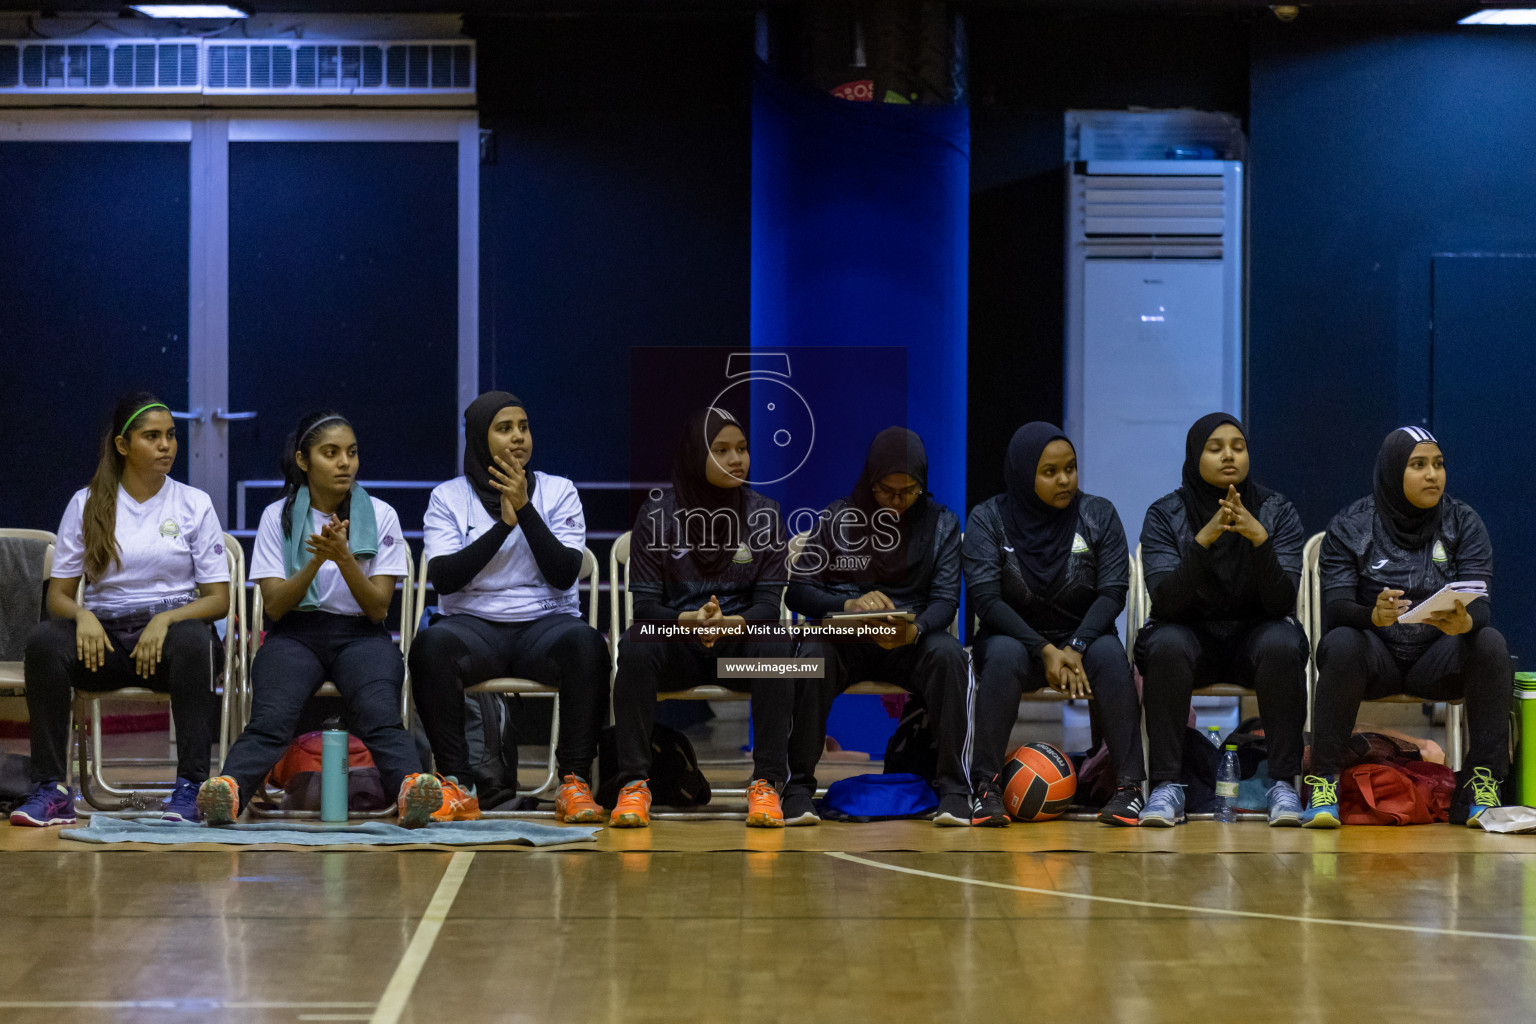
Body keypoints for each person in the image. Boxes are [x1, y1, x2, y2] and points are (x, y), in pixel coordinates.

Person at [195, 411, 431, 826]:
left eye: (352, 453)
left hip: (362, 634)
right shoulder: (278, 516)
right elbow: (274, 607)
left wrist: (343, 559)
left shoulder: (381, 515)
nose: (345, 463)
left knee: (380, 714)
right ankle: (228, 790)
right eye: (331, 453)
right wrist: (315, 561)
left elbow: (378, 607)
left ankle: (411, 788)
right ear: (304, 461)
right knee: (271, 718)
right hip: (295, 634)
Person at [11, 393, 230, 827]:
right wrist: (83, 615)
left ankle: (190, 788)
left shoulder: (193, 503)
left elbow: (218, 599)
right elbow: (59, 595)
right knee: (44, 643)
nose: (166, 445)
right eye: (152, 436)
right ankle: (51, 790)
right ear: (123, 445)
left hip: (169, 645)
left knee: (196, 642)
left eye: (170, 435)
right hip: (104, 644)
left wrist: (165, 619)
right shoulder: (88, 502)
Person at [408, 392, 610, 825]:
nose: (518, 437)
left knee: (589, 645)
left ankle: (573, 783)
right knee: (429, 648)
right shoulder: (448, 497)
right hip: (472, 625)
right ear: (481, 438)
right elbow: (445, 578)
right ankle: (457, 784)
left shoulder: (559, 491)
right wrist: (503, 526)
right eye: (504, 428)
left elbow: (563, 573)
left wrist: (524, 508)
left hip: (545, 622)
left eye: (523, 426)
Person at [1304, 426, 1509, 828]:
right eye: (1419, 465)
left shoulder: (1463, 522)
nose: (1433, 474)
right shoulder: (1352, 524)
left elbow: (1481, 602)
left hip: (1437, 658)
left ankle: (1483, 782)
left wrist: (1465, 620)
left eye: (1438, 464)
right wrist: (1372, 615)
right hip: (1374, 658)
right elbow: (1336, 607)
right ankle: (1323, 782)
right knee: (1341, 643)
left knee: (1490, 643)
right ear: (1393, 471)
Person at [610, 406, 793, 828]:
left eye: (742, 449)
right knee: (637, 643)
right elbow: (646, 607)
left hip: (736, 648)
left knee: (778, 644)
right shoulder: (658, 514)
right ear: (696, 455)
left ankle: (767, 783)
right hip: (679, 646)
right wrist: (688, 619)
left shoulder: (764, 513)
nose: (736, 460)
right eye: (722, 450)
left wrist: (731, 622)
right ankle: (634, 783)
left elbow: (768, 604)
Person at [964, 423, 1146, 826]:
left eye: (1071, 468)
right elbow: (986, 599)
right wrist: (1044, 650)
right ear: (1024, 472)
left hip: (1082, 637)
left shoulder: (1098, 513)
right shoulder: (987, 519)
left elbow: (1113, 591)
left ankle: (1130, 788)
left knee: (1111, 657)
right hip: (1011, 637)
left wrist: (1075, 647)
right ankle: (984, 787)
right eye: (1050, 472)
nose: (1064, 480)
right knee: (1004, 656)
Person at [784, 427, 967, 826]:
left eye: (909, 491)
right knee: (812, 654)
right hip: (848, 640)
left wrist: (913, 629)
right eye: (887, 491)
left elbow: (945, 601)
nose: (898, 502)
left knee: (950, 655)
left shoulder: (942, 525)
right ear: (871, 481)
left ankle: (954, 790)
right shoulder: (837, 518)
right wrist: (848, 605)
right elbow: (797, 592)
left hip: (910, 641)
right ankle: (797, 788)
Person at [1134, 413, 1308, 827]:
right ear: (1195, 456)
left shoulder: (1276, 510)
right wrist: (1204, 540)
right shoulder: (1165, 514)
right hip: (1191, 635)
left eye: (1238, 446)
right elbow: (1166, 603)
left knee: (1283, 643)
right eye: (1215, 448)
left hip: (1255, 635)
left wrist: (1260, 540)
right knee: (1164, 644)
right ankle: (1166, 787)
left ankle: (1282, 784)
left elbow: (1282, 601)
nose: (1229, 455)